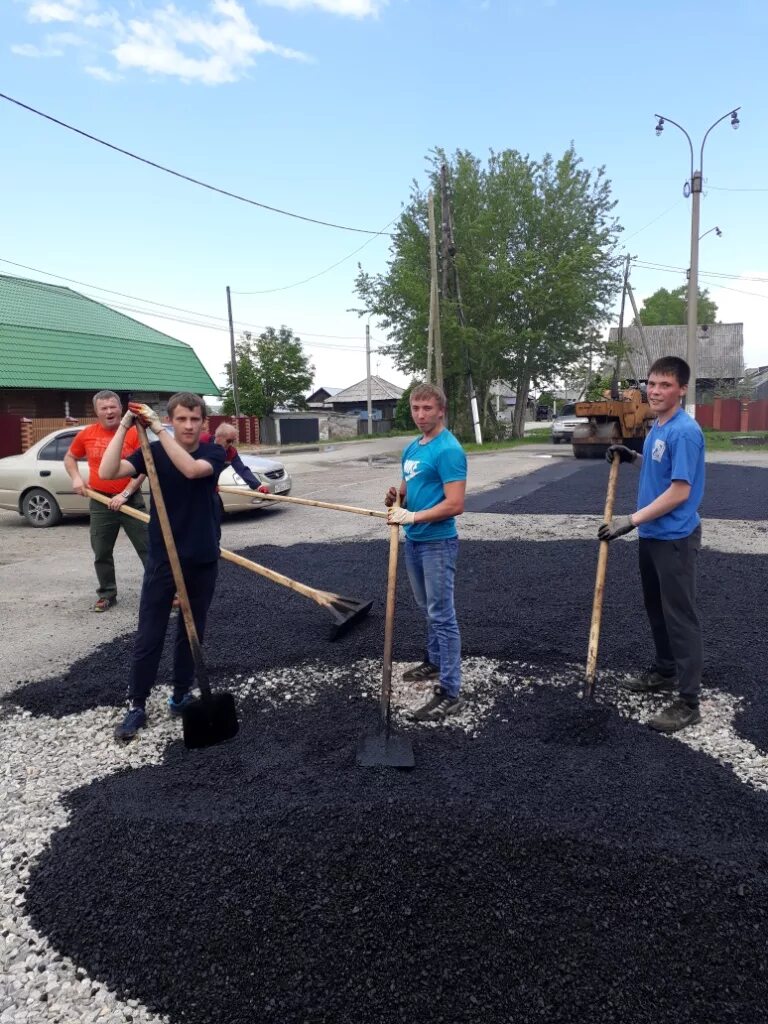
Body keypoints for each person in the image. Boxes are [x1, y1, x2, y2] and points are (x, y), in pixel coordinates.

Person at [99, 392, 226, 741]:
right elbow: (107, 471)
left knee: (192, 631)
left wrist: (158, 430)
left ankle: (181, 694)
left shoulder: (212, 453)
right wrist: (125, 425)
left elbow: (189, 469)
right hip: (163, 559)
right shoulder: (152, 453)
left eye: (194, 419)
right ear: (172, 420)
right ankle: (136, 704)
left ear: (203, 423)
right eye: (181, 419)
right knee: (149, 633)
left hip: (201, 558)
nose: (188, 425)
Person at [598, 356, 705, 734]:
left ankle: (688, 701)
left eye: (664, 385)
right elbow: (662, 470)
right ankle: (664, 669)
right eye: (652, 384)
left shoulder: (684, 431)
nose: (655, 391)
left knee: (680, 616)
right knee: (656, 608)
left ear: (681, 390)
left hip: (674, 537)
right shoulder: (658, 426)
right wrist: (633, 456)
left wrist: (631, 520)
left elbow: (679, 491)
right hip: (653, 536)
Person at [384, 383, 467, 722]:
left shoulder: (448, 450)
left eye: (427, 408)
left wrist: (413, 516)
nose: (420, 414)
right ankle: (433, 662)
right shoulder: (412, 448)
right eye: (416, 408)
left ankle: (451, 691)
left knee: (443, 614)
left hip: (438, 542)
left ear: (440, 410)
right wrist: (395, 498)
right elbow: (407, 489)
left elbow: (456, 503)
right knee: (426, 607)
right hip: (414, 541)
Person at [63, 390, 148, 612]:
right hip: (100, 502)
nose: (109, 411)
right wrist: (76, 479)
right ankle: (107, 593)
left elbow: (145, 466)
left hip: (130, 500)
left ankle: (166, 593)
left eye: (113, 407)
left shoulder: (134, 432)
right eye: (104, 408)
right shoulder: (87, 434)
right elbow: (70, 457)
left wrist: (125, 494)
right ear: (97, 411)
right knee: (101, 551)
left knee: (148, 548)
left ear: (121, 408)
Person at [202, 423, 270, 493]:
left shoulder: (231, 452)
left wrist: (259, 486)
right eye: (229, 441)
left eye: (233, 441)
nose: (231, 444)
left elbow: (242, 470)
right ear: (218, 437)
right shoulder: (203, 440)